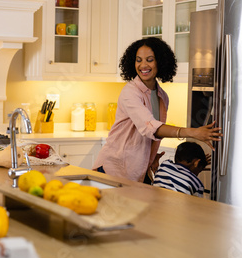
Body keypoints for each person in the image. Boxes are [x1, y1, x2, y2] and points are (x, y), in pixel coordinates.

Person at [93, 37, 222, 184]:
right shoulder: (130, 92)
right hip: (115, 169)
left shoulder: (162, 96)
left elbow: (149, 135)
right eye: (138, 60)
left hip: (141, 170)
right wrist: (193, 132)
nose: (143, 65)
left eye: (149, 60)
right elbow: (150, 126)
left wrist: (151, 155)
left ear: (160, 62)